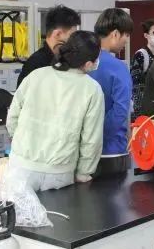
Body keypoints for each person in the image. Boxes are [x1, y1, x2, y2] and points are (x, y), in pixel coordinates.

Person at [6, 30, 104, 190]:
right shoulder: (92, 89)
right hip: (58, 173)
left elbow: (12, 117)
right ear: (88, 64)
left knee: (18, 207)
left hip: (20, 166)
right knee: (55, 208)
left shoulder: (35, 76)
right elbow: (91, 139)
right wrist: (83, 172)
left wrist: (21, 145)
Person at [89, 8, 133, 177]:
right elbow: (120, 110)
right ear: (115, 34)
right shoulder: (118, 67)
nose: (126, 41)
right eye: (126, 35)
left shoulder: (81, 62)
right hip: (111, 151)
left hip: (81, 151)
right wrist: (99, 136)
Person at [17, 5, 80, 87]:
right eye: (72, 35)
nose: (74, 40)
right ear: (57, 34)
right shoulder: (36, 65)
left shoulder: (64, 60)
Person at [131, 19, 154, 119]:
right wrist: (140, 114)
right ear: (146, 35)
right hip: (146, 109)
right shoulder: (141, 55)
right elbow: (136, 86)